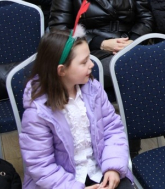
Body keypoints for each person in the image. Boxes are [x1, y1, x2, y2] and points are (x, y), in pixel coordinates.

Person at [20, 29, 133, 189]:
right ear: (61, 70)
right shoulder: (37, 111)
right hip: (61, 182)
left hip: (99, 167)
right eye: (84, 62)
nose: (92, 64)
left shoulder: (93, 89)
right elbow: (41, 166)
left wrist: (113, 167)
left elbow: (112, 130)